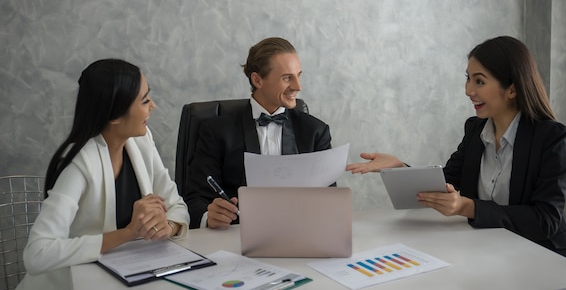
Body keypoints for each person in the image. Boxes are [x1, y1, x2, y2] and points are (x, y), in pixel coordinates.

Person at [346, 36, 566, 266]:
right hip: (496, 255)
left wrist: (467, 207)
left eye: (479, 81)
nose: (468, 90)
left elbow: (544, 220)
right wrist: (399, 168)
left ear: (512, 89)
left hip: (548, 260)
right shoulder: (476, 130)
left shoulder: (551, 138)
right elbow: (446, 181)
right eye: (468, 78)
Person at [17, 59, 189, 290]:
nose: (153, 106)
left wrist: (166, 225)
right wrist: (128, 233)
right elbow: (37, 254)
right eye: (145, 100)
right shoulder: (79, 163)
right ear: (114, 116)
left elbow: (177, 205)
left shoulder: (141, 140)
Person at [184, 37, 332, 229]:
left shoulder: (316, 132)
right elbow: (195, 198)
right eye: (287, 77)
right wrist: (208, 216)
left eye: (299, 75)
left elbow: (329, 201)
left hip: (300, 236)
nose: (298, 86)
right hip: (235, 241)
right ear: (257, 80)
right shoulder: (216, 131)